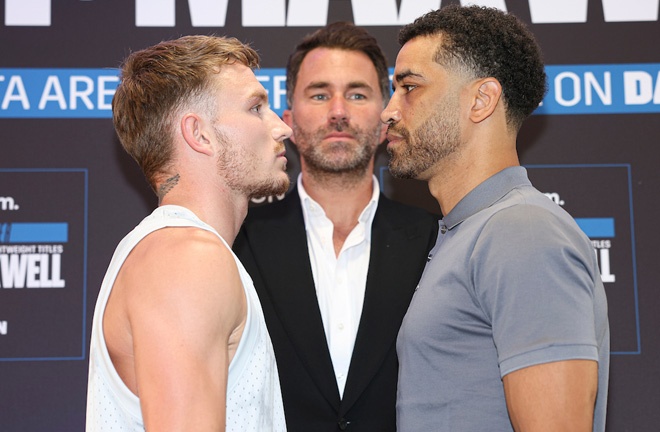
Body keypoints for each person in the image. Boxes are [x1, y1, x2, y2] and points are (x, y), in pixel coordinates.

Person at [381, 5, 609, 432]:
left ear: (482, 100)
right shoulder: (469, 231)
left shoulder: (521, 233)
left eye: (409, 87)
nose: (388, 110)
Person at [233, 22, 438, 432]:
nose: (339, 111)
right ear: (288, 118)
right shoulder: (237, 242)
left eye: (357, 94)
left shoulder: (439, 241)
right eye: (320, 94)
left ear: (386, 120)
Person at [86, 35, 291, 431]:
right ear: (200, 134)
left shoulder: (176, 251)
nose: (281, 127)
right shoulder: (186, 258)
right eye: (255, 107)